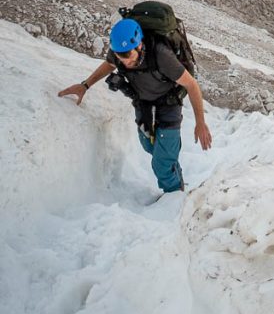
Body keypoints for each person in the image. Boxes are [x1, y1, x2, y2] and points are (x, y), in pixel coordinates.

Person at [59, 17, 212, 193]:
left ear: (139, 45)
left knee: (161, 163)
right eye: (120, 57)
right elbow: (108, 65)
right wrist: (85, 85)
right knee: (149, 146)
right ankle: (171, 168)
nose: (125, 62)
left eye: (128, 56)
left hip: (168, 103)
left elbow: (191, 85)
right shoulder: (120, 51)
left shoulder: (161, 55)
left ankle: (174, 197)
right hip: (143, 103)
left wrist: (200, 122)